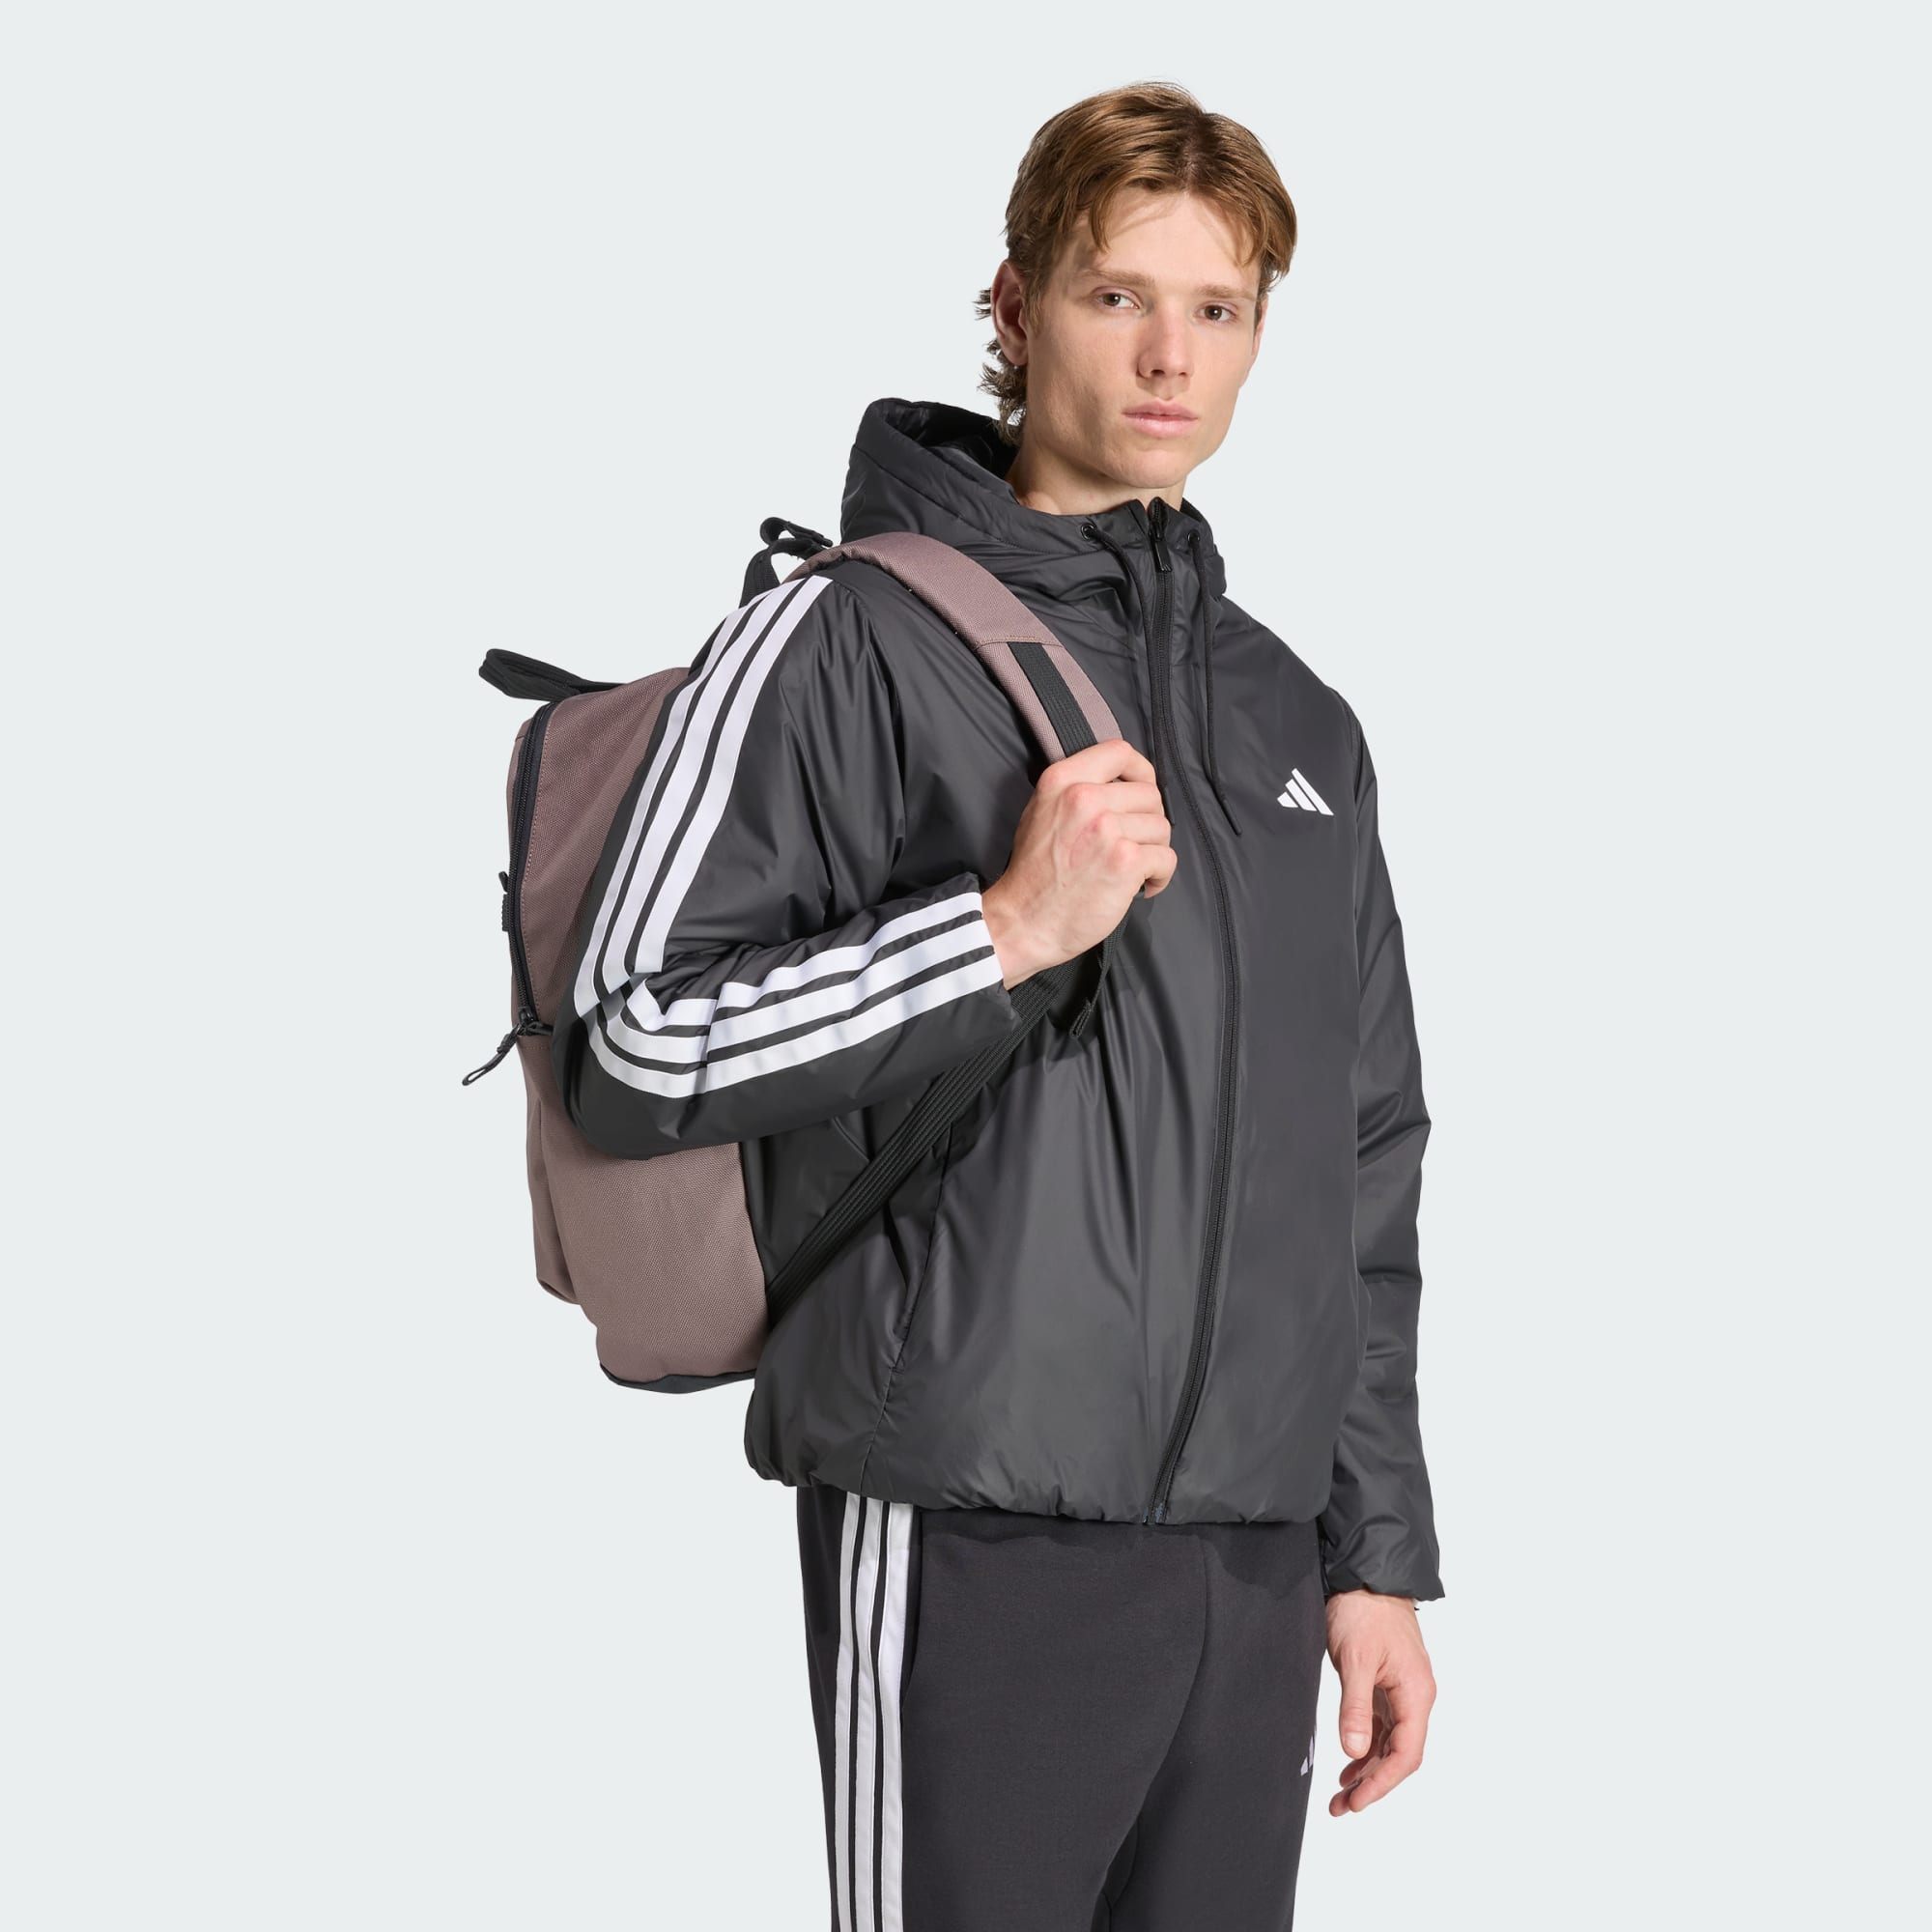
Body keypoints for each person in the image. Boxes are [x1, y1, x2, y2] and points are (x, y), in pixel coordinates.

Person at [555, 80, 1440, 1931]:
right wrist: (1005, 931)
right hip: (970, 1510)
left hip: (1254, 1561)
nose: (1171, 357)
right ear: (1017, 306)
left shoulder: (1301, 723)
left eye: (1219, 308)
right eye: (1120, 296)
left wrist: (1372, 1557)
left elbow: (1360, 1168)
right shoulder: (847, 636)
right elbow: (632, 1035)